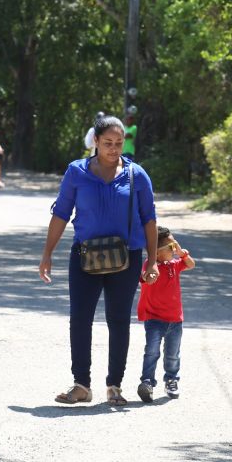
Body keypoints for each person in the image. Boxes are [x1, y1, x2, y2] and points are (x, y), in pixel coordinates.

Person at [40, 114, 159, 406]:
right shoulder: (76, 172)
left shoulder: (136, 175)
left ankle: (114, 387)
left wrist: (153, 260)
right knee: (80, 319)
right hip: (85, 257)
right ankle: (81, 385)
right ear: (95, 141)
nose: (114, 148)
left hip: (126, 258)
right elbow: (61, 214)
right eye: (108, 143)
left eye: (119, 143)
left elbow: (149, 219)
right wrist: (47, 254)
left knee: (118, 321)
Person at [136, 226, 196, 403]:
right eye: (171, 247)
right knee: (152, 352)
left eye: (175, 246)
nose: (174, 250)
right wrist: (150, 275)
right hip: (154, 319)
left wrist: (181, 253)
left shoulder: (175, 264)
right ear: (158, 251)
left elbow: (191, 264)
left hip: (175, 320)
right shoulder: (149, 264)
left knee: (172, 354)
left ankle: (171, 379)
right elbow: (147, 276)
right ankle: (147, 382)